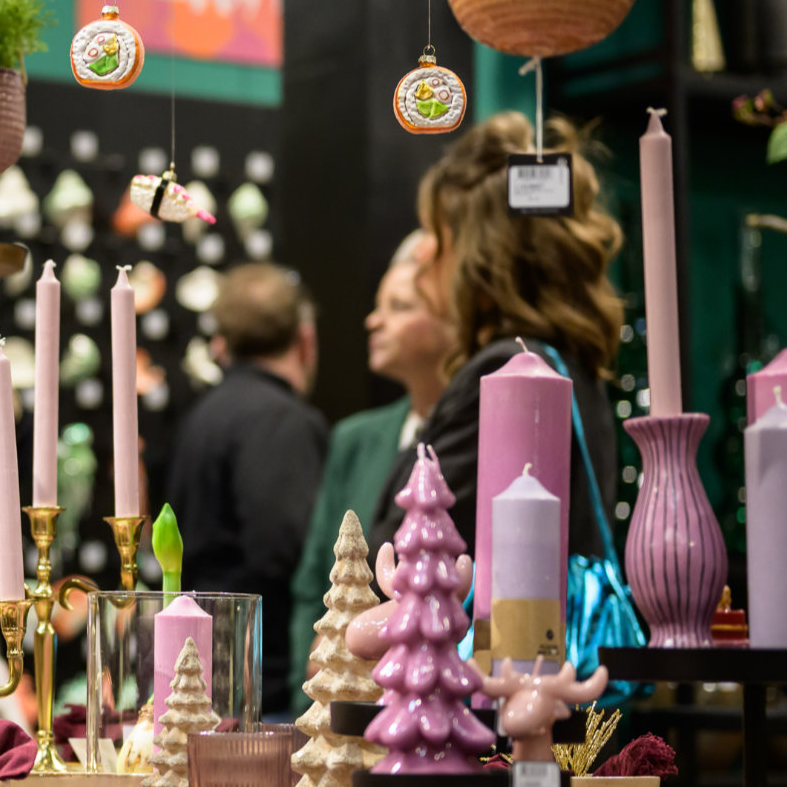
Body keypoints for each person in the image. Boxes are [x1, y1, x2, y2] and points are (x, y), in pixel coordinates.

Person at [368, 112, 622, 570]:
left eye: (434, 233)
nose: (421, 254)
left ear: (481, 253)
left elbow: (412, 559)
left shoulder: (510, 376)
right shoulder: (566, 366)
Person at [287, 233, 452, 713]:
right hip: (337, 699)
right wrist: (313, 668)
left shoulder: (474, 439)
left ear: (454, 322)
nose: (373, 320)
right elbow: (312, 581)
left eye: (398, 306)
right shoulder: (355, 439)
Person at [162, 262, 328, 716]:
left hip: (203, 674)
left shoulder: (202, 416)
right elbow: (286, 550)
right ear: (305, 339)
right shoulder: (283, 422)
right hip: (263, 690)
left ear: (223, 344)